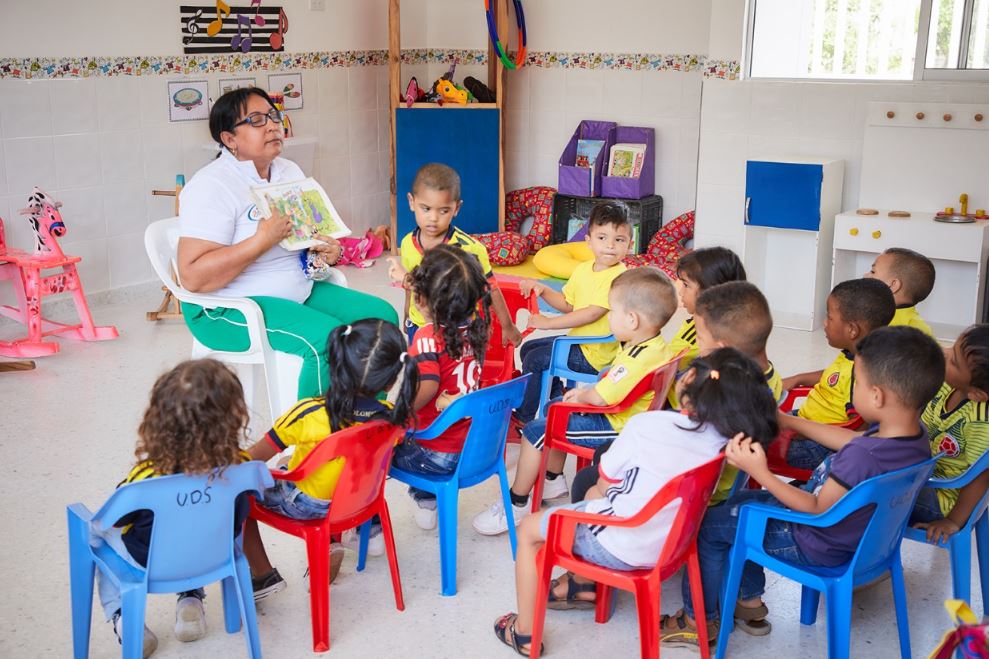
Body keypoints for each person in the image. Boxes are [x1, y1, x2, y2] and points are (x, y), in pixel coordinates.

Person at [661, 326, 943, 649]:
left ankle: (697, 621)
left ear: (877, 395)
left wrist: (761, 472)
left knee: (711, 525)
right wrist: (793, 422)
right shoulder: (914, 437)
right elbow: (854, 439)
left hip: (814, 539)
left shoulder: (861, 458)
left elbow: (817, 507)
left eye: (858, 382)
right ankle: (748, 602)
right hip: (866, 542)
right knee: (741, 502)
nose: (855, 388)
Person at [492, 348, 779, 656]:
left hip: (619, 543)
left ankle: (524, 633)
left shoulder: (649, 425)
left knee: (529, 531)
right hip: (674, 545)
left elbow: (602, 484)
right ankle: (582, 586)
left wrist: (592, 500)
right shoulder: (723, 443)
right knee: (589, 501)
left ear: (690, 379)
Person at [176, 87, 397, 401]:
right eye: (256, 120)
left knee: (380, 319)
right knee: (326, 340)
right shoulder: (211, 186)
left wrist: (325, 252)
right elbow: (193, 277)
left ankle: (365, 423)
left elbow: (304, 240)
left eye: (272, 116)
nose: (271, 125)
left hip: (295, 290)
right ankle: (312, 442)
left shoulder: (287, 171)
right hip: (226, 307)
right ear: (229, 139)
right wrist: (262, 241)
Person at [473, 267, 679, 536]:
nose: (610, 319)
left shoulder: (636, 357)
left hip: (619, 426)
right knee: (556, 406)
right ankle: (552, 479)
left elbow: (600, 395)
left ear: (632, 320)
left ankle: (517, 503)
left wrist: (582, 395)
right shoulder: (654, 346)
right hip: (630, 419)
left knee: (537, 430)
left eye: (613, 313)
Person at [242, 319, 418, 599]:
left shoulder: (308, 413)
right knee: (312, 469)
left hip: (309, 505)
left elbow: (251, 458)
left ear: (337, 363)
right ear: (392, 379)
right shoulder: (390, 417)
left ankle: (264, 576)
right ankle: (333, 540)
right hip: (361, 502)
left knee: (241, 491)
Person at [92, 360, 253, 658]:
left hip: (150, 562)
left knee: (97, 539)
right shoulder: (242, 465)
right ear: (231, 416)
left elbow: (113, 520)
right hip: (214, 554)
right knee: (193, 530)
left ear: (160, 420)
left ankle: (124, 619)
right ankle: (190, 598)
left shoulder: (146, 479)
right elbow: (242, 513)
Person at [391, 244, 493, 530]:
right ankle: (428, 498)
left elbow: (427, 387)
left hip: (435, 455)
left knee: (371, 448)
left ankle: (372, 527)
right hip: (475, 450)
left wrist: (396, 415)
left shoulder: (425, 337)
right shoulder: (477, 328)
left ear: (422, 299)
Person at [512, 201, 634, 425]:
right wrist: (545, 291)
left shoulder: (618, 276)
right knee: (529, 348)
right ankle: (555, 395)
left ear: (630, 245)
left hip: (596, 353)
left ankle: (523, 418)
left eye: (619, 240)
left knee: (535, 359)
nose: (610, 246)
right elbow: (569, 305)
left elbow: (591, 314)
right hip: (577, 342)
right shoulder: (583, 269)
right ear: (588, 241)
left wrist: (548, 323)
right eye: (602, 238)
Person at [388, 162, 521, 346]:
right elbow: (411, 287)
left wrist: (508, 326)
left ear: (456, 208)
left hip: (458, 329)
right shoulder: (407, 243)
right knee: (422, 371)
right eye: (425, 208)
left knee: (455, 373)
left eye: (443, 211)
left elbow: (491, 288)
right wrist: (407, 314)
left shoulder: (470, 249)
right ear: (412, 202)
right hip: (419, 325)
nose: (433, 218)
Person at [782, 278, 895, 470]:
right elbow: (833, 375)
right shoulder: (853, 355)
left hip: (815, 445)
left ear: (852, 329)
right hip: (804, 422)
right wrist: (798, 379)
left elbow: (858, 427)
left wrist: (797, 430)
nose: (824, 323)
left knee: (743, 439)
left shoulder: (861, 374)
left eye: (830, 317)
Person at [910, 325, 989, 541]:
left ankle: (868, 561)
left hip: (941, 499)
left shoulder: (980, 422)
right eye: (951, 349)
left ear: (976, 394)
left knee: (872, 493)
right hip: (921, 472)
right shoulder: (947, 385)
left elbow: (981, 477)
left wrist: (953, 520)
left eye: (953, 361)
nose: (944, 354)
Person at [864, 247, 936, 337]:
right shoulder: (921, 329)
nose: (865, 275)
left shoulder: (877, 325)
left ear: (893, 285)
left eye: (873, 271)